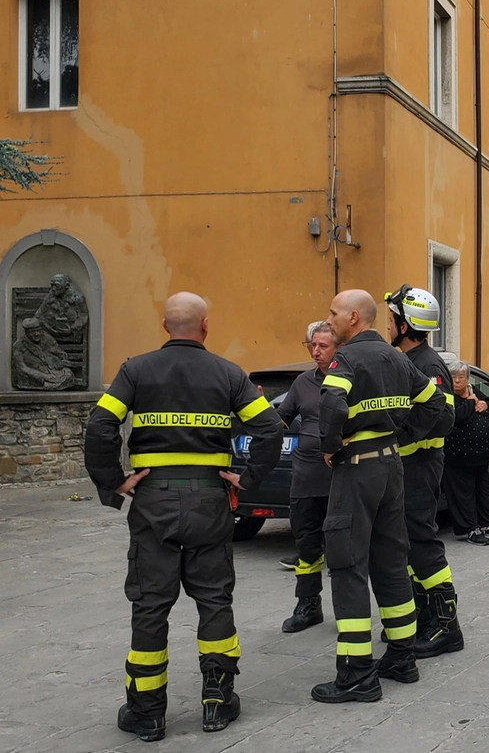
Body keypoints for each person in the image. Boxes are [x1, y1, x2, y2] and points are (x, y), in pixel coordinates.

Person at [84, 292, 284, 742]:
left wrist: (114, 481)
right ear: (205, 326)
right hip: (210, 501)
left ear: (164, 325)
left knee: (151, 605)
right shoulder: (228, 373)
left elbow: (99, 426)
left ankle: (147, 712)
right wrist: (247, 479)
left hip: (153, 500)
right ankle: (217, 700)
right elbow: (270, 428)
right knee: (214, 599)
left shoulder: (136, 370)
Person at [312, 289, 440, 704]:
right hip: (391, 467)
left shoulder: (346, 360)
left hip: (357, 470)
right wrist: (402, 431)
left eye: (333, 314)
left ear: (353, 317)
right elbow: (436, 403)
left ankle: (356, 674)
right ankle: (402, 657)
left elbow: (331, 406)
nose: (328, 319)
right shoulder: (398, 358)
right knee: (390, 562)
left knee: (348, 564)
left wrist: (330, 446)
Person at [385, 286, 464, 660]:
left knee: (422, 541)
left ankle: (447, 626)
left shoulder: (427, 365)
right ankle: (424, 615)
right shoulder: (412, 358)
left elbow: (442, 416)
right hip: (410, 465)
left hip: (420, 465)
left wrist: (400, 433)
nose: (389, 324)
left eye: (392, 319)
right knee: (411, 542)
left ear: (406, 324)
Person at [277, 321, 337, 634]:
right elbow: (282, 419)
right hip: (304, 477)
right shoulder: (302, 382)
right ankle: (308, 605)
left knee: (342, 547)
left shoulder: (349, 380)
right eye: (312, 345)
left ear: (337, 348)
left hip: (339, 477)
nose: (316, 351)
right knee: (307, 545)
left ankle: (347, 608)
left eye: (323, 346)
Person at [442, 359, 489, 544]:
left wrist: (485, 404)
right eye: (453, 377)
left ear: (467, 378)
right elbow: (459, 416)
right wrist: (472, 403)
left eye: (461, 377)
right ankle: (470, 529)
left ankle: (488, 523)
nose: (457, 381)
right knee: (463, 493)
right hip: (459, 455)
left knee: (483, 490)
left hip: (481, 455)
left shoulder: (472, 391)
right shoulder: (446, 394)